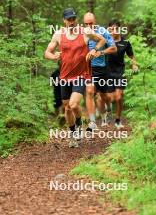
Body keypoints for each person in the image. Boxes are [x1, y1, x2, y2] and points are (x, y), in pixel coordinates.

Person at [45, 8, 106, 147]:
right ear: (64, 20)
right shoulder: (58, 34)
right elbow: (47, 52)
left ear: (76, 19)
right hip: (64, 76)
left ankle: (79, 121)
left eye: (73, 19)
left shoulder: (85, 32)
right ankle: (73, 134)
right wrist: (53, 56)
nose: (71, 22)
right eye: (69, 19)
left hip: (81, 75)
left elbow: (101, 40)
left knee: (73, 104)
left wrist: (94, 50)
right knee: (67, 108)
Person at [83, 12, 117, 131]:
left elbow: (114, 48)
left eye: (91, 23)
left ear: (95, 21)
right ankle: (92, 121)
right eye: (86, 24)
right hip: (88, 68)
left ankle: (108, 108)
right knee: (90, 91)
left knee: (103, 96)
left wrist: (100, 52)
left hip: (101, 68)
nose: (88, 26)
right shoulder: (83, 33)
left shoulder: (102, 31)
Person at [107, 19, 139, 128]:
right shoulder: (105, 41)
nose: (114, 31)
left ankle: (117, 120)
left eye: (116, 28)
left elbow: (132, 56)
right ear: (109, 29)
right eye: (112, 29)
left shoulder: (125, 43)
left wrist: (134, 64)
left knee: (119, 97)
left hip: (120, 72)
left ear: (119, 29)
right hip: (107, 73)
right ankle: (107, 111)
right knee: (111, 98)